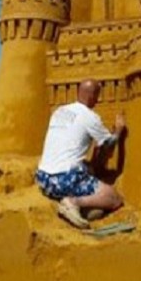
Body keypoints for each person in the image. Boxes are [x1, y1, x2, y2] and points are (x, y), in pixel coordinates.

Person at [35, 79, 126, 229]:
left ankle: (84, 206)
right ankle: (73, 203)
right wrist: (118, 130)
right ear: (92, 96)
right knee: (114, 198)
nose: (97, 100)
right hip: (63, 180)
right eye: (97, 96)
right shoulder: (90, 117)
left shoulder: (59, 111)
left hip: (43, 179)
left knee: (88, 169)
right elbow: (109, 145)